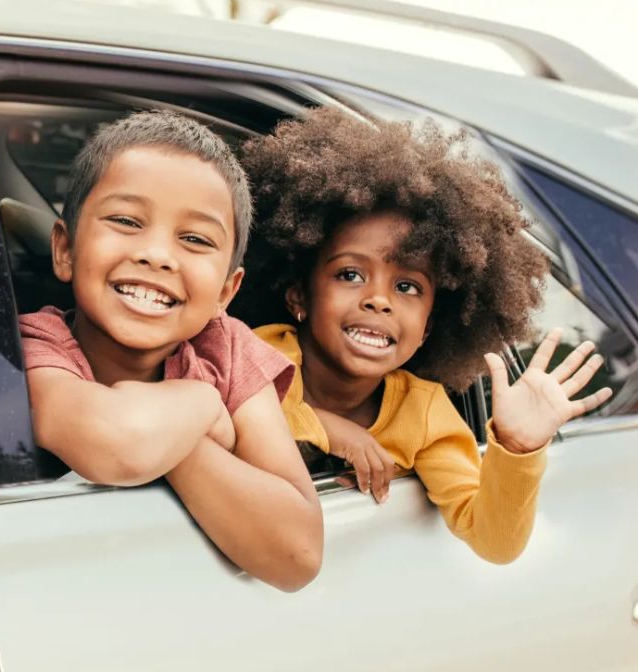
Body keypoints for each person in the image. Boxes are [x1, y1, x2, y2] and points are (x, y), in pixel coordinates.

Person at [237, 107, 611, 564]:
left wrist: (516, 447)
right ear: (300, 297)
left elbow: (493, 541)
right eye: (351, 274)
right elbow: (219, 406)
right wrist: (330, 430)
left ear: (428, 328)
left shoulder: (425, 413)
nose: (379, 300)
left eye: (407, 286)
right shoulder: (257, 350)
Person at [18, 111, 323, 592]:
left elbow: (298, 555)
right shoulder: (35, 345)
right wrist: (203, 406)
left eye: (195, 239)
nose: (158, 254)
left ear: (226, 291)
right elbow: (116, 443)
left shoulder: (225, 347)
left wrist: (178, 440)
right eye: (125, 220)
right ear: (65, 250)